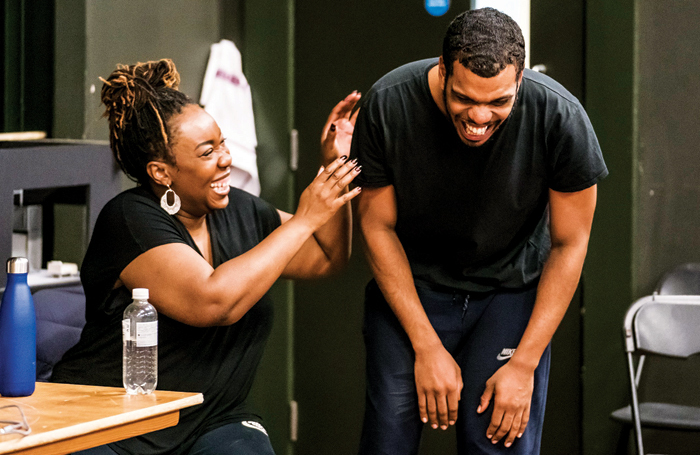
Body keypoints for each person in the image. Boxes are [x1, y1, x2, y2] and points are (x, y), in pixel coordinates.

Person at [50, 59, 362, 455]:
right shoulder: (130, 219)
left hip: (213, 419)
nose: (226, 158)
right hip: (113, 423)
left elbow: (327, 257)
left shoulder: (242, 211)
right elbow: (212, 302)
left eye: (223, 143)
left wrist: (335, 164)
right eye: (207, 151)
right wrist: (302, 221)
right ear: (161, 172)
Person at [350, 7, 607, 455]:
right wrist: (426, 346)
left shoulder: (561, 117)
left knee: (499, 440)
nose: (480, 117)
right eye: (465, 98)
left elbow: (571, 243)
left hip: (509, 292)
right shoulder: (388, 103)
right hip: (415, 286)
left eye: (498, 102)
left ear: (520, 80)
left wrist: (524, 364)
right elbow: (376, 226)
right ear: (444, 69)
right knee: (387, 441)